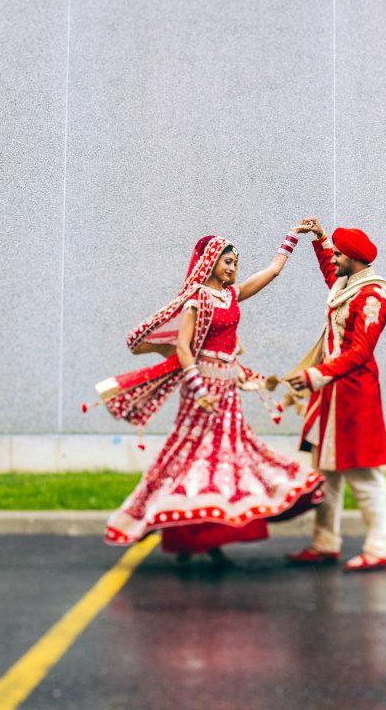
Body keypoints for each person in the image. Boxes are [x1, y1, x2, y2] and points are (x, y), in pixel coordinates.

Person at [96, 230, 324, 560]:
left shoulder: (232, 295)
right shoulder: (197, 299)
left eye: (236, 263)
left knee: (227, 460)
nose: (233, 268)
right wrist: (200, 389)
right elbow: (184, 349)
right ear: (212, 262)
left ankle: (212, 536)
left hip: (227, 389)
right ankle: (188, 538)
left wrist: (292, 239)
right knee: (193, 460)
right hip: (201, 389)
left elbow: (272, 271)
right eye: (228, 262)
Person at [286, 217, 386, 572]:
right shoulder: (349, 284)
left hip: (354, 394)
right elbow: (330, 275)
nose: (333, 258)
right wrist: (318, 239)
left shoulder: (372, 296)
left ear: (353, 258)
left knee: (364, 475)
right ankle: (325, 542)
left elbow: (360, 352)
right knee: (325, 473)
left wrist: (316, 374)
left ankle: (379, 548)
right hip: (333, 391)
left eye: (338, 254)